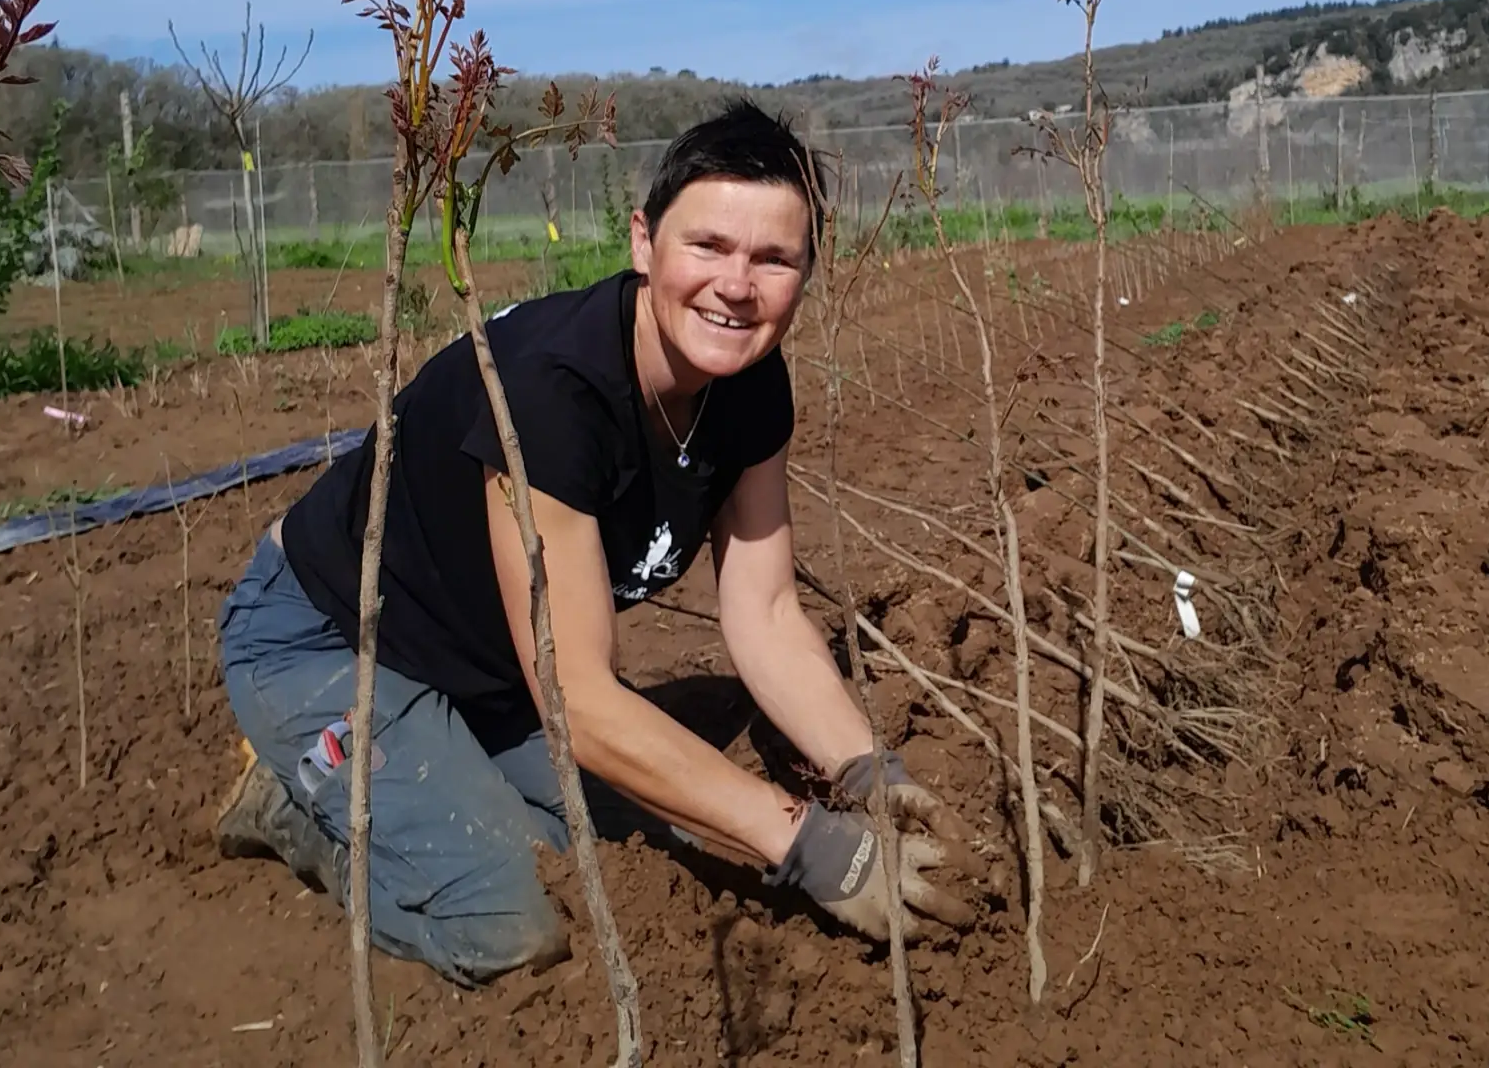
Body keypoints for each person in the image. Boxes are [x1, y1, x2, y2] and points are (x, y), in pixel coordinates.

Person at [212, 99, 986, 988]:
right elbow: (578, 699)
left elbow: (766, 611)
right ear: (642, 242)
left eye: (774, 259)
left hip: (495, 669)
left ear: (807, 273)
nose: (737, 286)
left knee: (667, 843)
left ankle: (440, 767)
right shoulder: (555, 394)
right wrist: (816, 847)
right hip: (332, 640)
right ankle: (295, 800)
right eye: (708, 247)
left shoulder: (752, 387)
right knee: (507, 927)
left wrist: (864, 774)